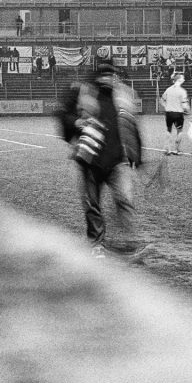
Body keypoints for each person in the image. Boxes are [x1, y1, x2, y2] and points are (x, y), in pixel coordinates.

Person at [57, 63, 145, 259]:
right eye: (104, 75)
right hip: (90, 161)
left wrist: (137, 155)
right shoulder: (84, 93)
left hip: (116, 161)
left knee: (124, 200)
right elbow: (63, 115)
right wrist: (77, 122)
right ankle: (97, 244)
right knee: (93, 205)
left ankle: (130, 243)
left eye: (111, 75)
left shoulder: (123, 98)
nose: (108, 78)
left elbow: (131, 126)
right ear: (96, 77)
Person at [160, 73, 191, 155]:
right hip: (178, 113)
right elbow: (184, 104)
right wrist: (189, 112)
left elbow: (162, 100)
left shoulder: (168, 89)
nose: (184, 79)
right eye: (183, 78)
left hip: (169, 113)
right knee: (179, 131)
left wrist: (166, 107)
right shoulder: (182, 91)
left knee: (168, 130)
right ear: (179, 80)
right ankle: (176, 150)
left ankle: (168, 149)